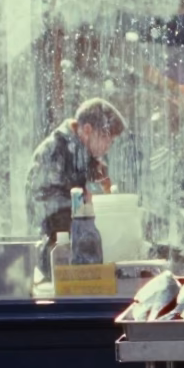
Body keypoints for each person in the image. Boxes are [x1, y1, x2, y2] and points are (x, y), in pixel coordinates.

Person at [26, 98, 128, 283]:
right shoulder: (54, 151)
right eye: (107, 139)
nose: (108, 147)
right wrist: (84, 204)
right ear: (87, 130)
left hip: (76, 250)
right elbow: (44, 207)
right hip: (55, 253)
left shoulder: (82, 152)